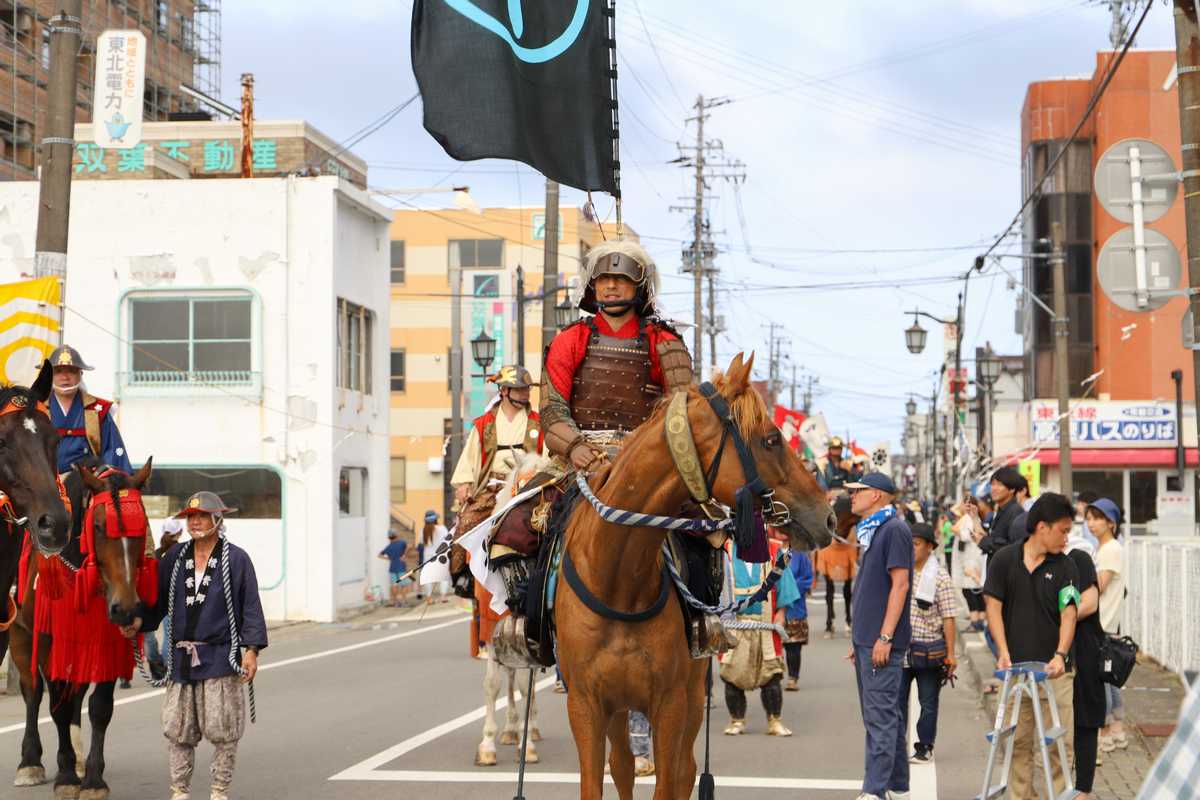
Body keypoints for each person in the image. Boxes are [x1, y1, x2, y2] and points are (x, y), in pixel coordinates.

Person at [540, 240, 694, 778]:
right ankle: (536, 623)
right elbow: (553, 405)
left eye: (622, 280)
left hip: (645, 460)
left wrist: (647, 455)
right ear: (592, 286)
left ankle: (701, 623)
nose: (611, 287)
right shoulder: (572, 338)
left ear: (639, 287)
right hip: (581, 461)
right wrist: (575, 447)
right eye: (604, 279)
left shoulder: (663, 340)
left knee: (694, 534)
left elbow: (683, 409)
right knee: (535, 529)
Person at [122, 491, 267, 800]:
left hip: (220, 655)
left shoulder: (236, 559)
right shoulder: (174, 558)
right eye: (191, 517)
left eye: (202, 516)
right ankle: (179, 791)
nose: (196, 522)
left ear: (218, 519)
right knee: (178, 729)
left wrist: (251, 651)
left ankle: (218, 790)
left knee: (223, 729)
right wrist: (138, 622)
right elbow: (157, 603)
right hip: (180, 659)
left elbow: (251, 606)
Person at [982, 492, 1081, 800]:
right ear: (1042, 527)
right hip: (1016, 672)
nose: (1066, 538)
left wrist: (1060, 654)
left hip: (1056, 673)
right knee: (1017, 744)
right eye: (1063, 530)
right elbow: (993, 605)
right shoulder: (1004, 560)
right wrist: (1003, 651)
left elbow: (1070, 613)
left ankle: (1061, 795)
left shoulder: (1066, 566)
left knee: (1059, 746)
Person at [450, 364, 543, 658]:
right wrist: (464, 484)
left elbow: (548, 459)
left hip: (527, 491)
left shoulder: (539, 424)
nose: (525, 393)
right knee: (465, 527)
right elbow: (468, 461)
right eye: (519, 389)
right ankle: (462, 577)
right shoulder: (483, 425)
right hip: (491, 492)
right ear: (504, 391)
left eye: (527, 389)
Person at [845, 472, 913, 800]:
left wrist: (885, 637)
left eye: (858, 491)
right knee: (887, 716)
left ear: (876, 495)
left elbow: (900, 584)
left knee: (880, 717)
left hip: (881, 641)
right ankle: (897, 785)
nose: (852, 496)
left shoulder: (894, 529)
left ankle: (874, 790)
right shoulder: (872, 530)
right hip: (866, 638)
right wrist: (859, 636)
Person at [719, 532, 801, 737]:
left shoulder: (774, 550)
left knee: (771, 675)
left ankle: (775, 721)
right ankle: (736, 720)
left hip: (766, 623)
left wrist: (781, 615)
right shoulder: (724, 550)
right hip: (733, 624)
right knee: (732, 675)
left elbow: (785, 585)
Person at [904, 523, 957, 765]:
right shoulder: (900, 571)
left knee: (928, 702)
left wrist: (952, 654)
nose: (911, 548)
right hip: (901, 649)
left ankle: (924, 746)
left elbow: (949, 617)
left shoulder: (940, 578)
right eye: (909, 543)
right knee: (895, 700)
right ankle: (895, 745)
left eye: (915, 544)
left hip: (929, 650)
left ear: (930, 547)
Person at [46, 345, 132, 475]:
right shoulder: (36, 409)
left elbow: (113, 450)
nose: (65, 377)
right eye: (58, 371)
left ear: (80, 374)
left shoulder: (98, 410)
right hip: (43, 481)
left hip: (87, 482)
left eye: (71, 371)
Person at [1085, 497, 1127, 753]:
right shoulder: (1105, 548)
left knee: (1102, 679)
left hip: (1103, 622)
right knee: (1110, 678)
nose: (1091, 523)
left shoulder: (1110, 549)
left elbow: (1099, 586)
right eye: (1089, 518)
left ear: (1110, 523)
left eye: (1097, 518)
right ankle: (1117, 731)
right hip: (1106, 621)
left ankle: (1107, 732)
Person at [1066, 533, 1106, 798]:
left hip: (1084, 651)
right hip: (1054, 653)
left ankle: (1083, 790)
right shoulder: (1033, 563)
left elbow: (1089, 604)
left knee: (1085, 720)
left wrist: (1056, 621)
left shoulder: (1078, 558)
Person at [816, 494, 857, 639]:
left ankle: (848, 620)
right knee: (829, 588)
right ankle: (829, 621)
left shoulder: (852, 474)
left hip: (848, 536)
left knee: (848, 587)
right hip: (835, 503)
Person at [951, 497, 986, 632]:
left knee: (971, 591)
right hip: (970, 558)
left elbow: (967, 536)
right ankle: (980, 620)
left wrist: (956, 530)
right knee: (975, 591)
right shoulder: (968, 518)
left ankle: (975, 621)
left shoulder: (968, 519)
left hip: (970, 560)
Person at [783, 546, 815, 691]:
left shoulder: (800, 554)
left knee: (793, 646)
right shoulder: (769, 549)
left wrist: (789, 589)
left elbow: (808, 577)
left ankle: (793, 677)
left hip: (795, 607)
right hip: (772, 607)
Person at [978, 467, 1026, 555]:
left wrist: (984, 542)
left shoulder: (1015, 512)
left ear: (1012, 489)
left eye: (999, 485)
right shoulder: (1001, 510)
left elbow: (1015, 548)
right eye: (992, 484)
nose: (994, 488)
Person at [418, 510, 452, 604]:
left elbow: (421, 544)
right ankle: (443, 596)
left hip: (427, 557)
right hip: (441, 555)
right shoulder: (442, 528)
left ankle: (429, 598)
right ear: (436, 519)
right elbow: (448, 541)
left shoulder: (423, 530)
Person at [378, 530, 412, 607]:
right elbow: (410, 546)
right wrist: (404, 554)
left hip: (392, 568)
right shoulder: (401, 543)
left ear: (389, 537)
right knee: (404, 585)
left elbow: (379, 555)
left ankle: (396, 602)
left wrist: (388, 559)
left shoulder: (388, 547)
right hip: (401, 567)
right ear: (396, 535)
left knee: (394, 585)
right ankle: (404, 601)